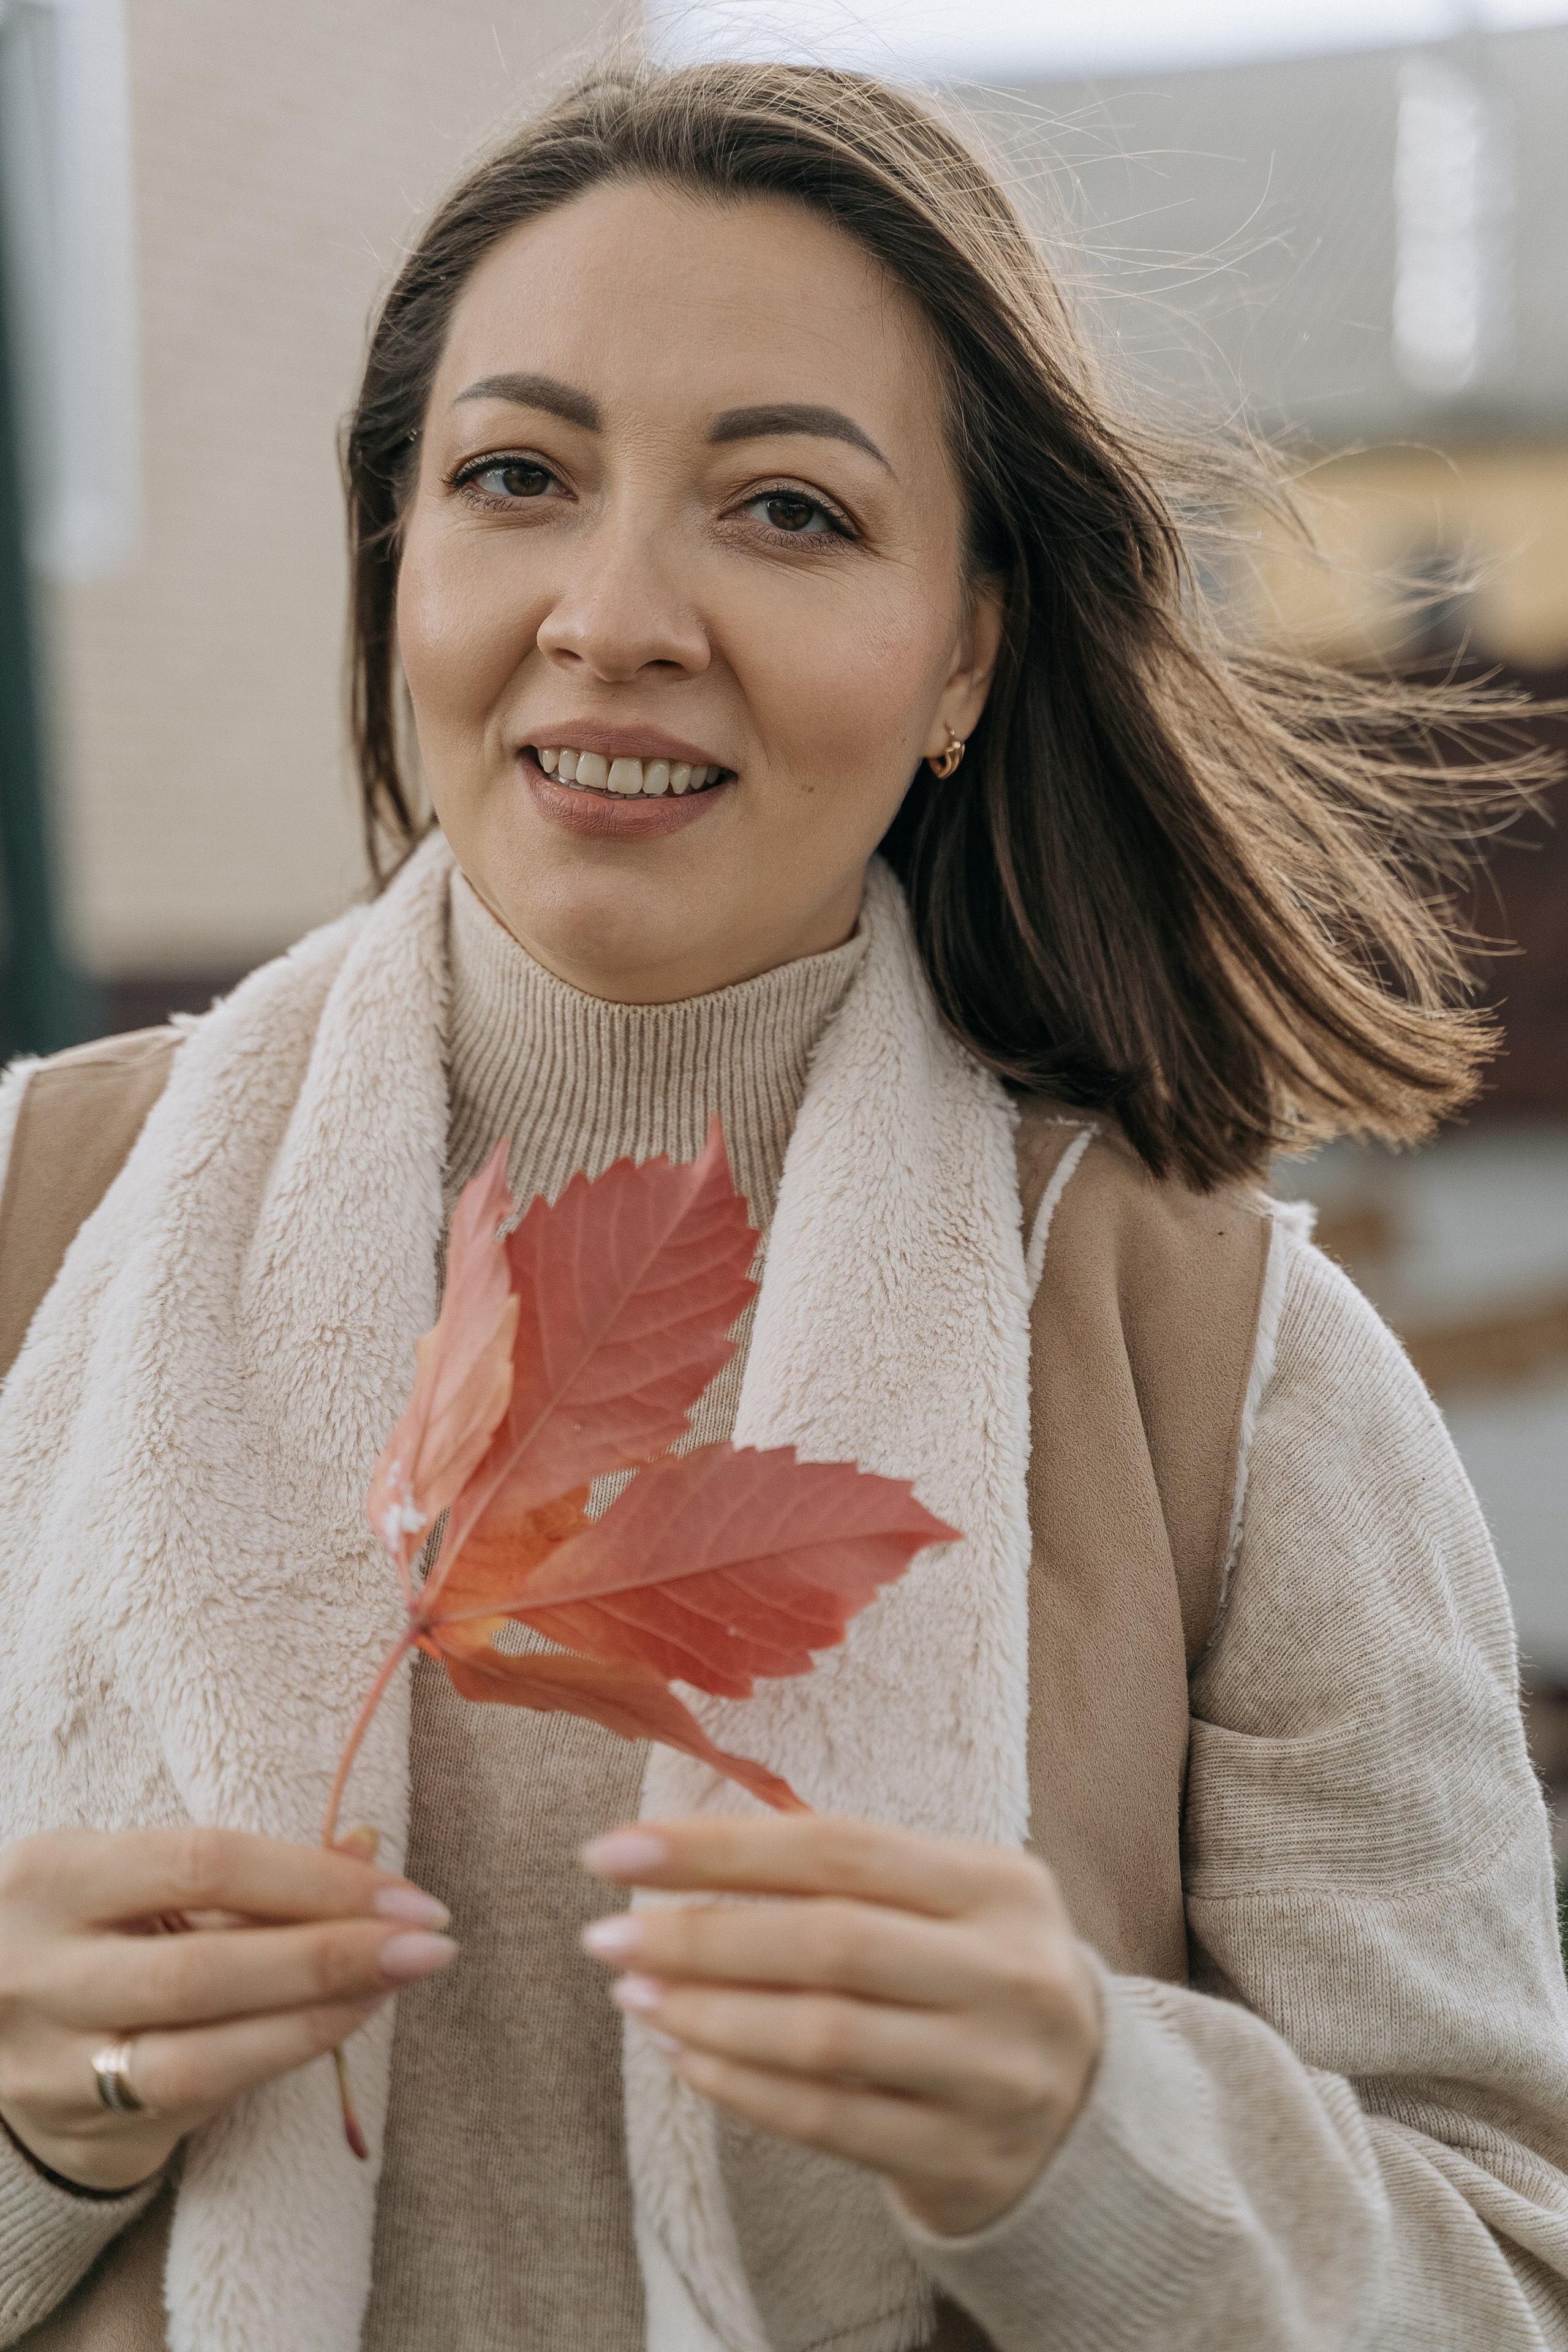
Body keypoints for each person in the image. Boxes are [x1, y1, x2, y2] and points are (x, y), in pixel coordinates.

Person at [0, 55, 1564, 2352]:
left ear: (970, 653)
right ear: (402, 565)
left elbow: (1502, 2276)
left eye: (792, 513)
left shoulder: (1221, 1365)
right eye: (516, 478)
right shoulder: (41, 1222)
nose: (615, 613)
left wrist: (1092, 2135)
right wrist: (39, 2128)